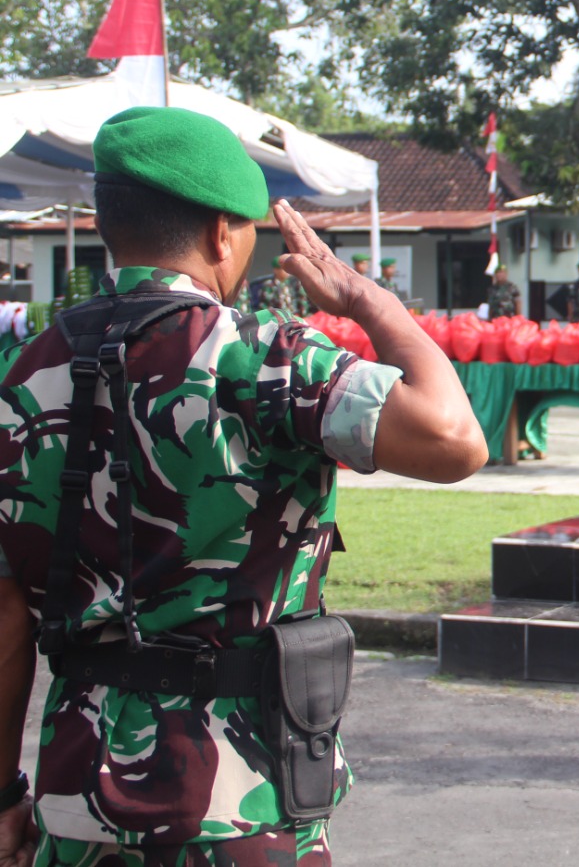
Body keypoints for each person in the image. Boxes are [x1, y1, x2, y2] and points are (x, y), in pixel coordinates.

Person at [0, 106, 487, 867]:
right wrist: (369, 302)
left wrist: (3, 797)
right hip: (242, 798)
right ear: (221, 234)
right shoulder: (266, 358)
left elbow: (4, 620)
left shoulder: (25, 376)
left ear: (106, 223)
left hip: (81, 798)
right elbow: (454, 441)